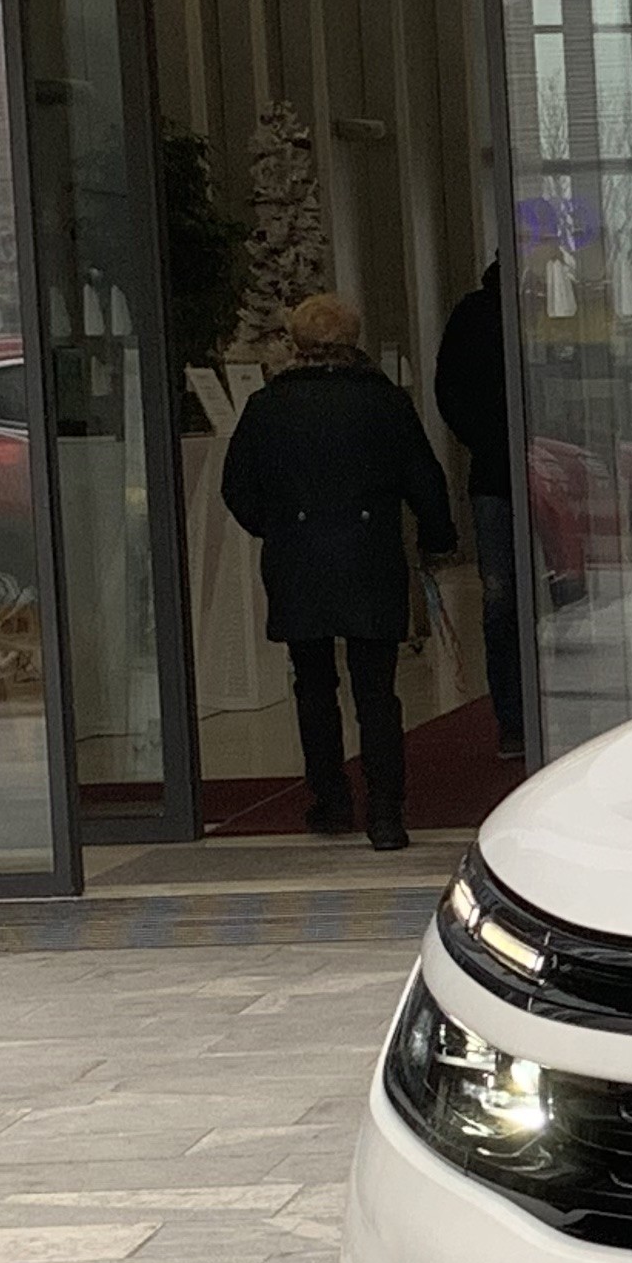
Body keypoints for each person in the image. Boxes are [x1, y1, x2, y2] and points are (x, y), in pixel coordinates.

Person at [220, 293, 455, 850]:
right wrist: (437, 539)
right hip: (369, 555)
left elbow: (237, 487)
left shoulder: (267, 406)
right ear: (353, 339)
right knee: (377, 691)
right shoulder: (385, 402)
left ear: (297, 342)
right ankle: (386, 814)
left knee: (313, 684)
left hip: (298, 557)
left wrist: (275, 528)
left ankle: (330, 800)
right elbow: (425, 478)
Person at [430, 256, 522, 759]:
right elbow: (451, 392)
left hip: (527, 469)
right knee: (501, 599)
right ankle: (513, 717)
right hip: (497, 475)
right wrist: (488, 441)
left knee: (556, 595)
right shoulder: (477, 315)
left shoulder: (555, 304)